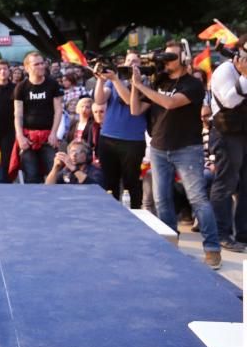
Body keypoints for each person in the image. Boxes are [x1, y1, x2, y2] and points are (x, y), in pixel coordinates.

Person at [130, 41, 222, 269]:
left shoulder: (193, 84)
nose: (166, 60)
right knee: (162, 200)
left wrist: (142, 87)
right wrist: (135, 84)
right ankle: (170, 247)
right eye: (165, 56)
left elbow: (170, 103)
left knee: (198, 199)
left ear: (183, 59)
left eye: (172, 56)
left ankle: (212, 249)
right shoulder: (157, 82)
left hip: (187, 149)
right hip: (160, 147)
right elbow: (135, 109)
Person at [207, 33, 247, 252]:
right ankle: (221, 233)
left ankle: (243, 233)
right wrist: (245, 76)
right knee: (226, 183)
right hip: (226, 133)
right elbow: (230, 101)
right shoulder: (225, 71)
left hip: (244, 132)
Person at [94, 51, 148, 207]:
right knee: (109, 182)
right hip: (109, 136)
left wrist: (115, 79)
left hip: (132, 140)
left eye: (135, 61)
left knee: (131, 182)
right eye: (128, 60)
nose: (131, 64)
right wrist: (100, 80)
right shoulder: (114, 80)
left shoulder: (144, 82)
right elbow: (99, 99)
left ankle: (135, 213)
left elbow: (129, 101)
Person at [13, 52, 63, 183]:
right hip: (28, 137)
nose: (41, 66)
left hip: (48, 137)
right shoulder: (21, 87)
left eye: (42, 63)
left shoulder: (52, 84)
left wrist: (54, 133)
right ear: (27, 67)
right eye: (37, 64)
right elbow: (18, 114)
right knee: (31, 175)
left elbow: (58, 110)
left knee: (54, 172)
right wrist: (20, 136)